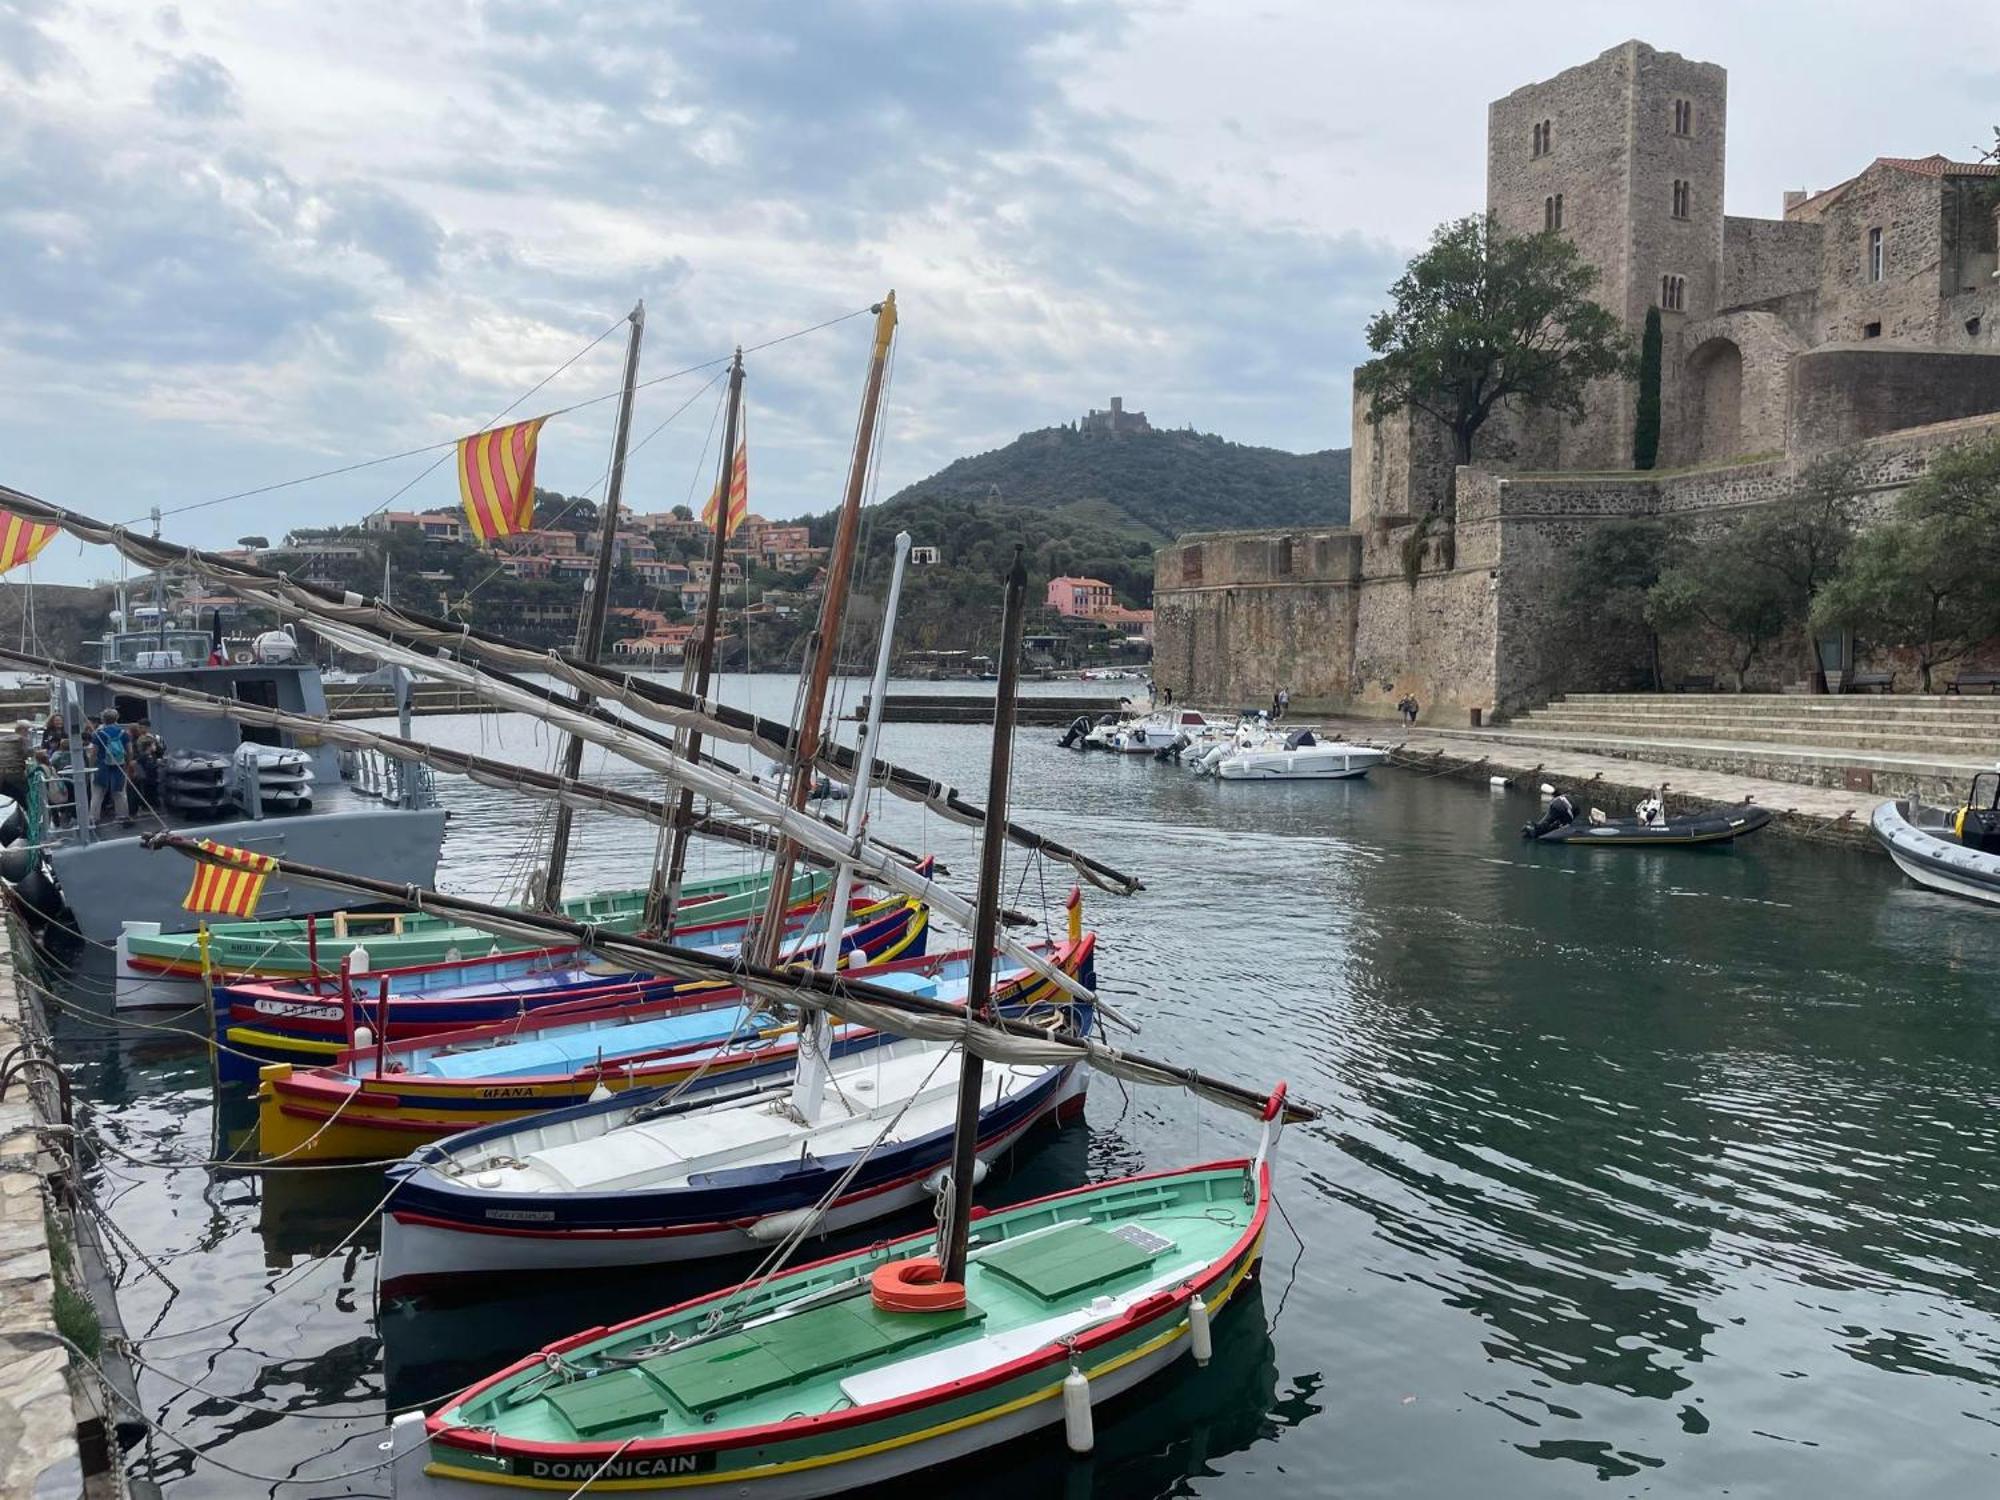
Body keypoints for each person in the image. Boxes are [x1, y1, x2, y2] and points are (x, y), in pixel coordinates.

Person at [87, 708, 132, 826]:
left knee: (97, 793)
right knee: (120, 793)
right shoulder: (123, 733)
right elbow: (129, 751)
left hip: (102, 765)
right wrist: (127, 763)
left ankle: (93, 818)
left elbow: (93, 753)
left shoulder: (98, 734)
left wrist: (91, 767)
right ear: (116, 718)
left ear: (103, 719)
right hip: (119, 765)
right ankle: (122, 816)